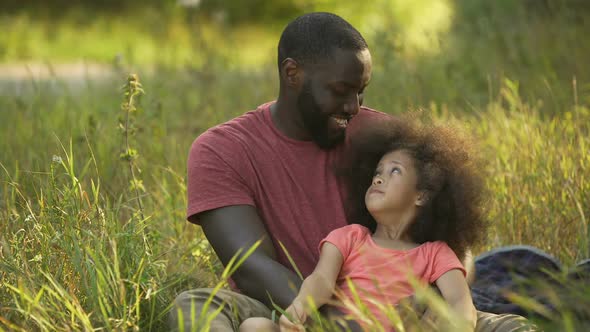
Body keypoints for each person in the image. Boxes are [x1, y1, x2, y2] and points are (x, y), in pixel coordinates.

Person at [169, 12, 532, 332]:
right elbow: (252, 268)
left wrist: (433, 299)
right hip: (289, 309)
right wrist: (342, 323)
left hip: (399, 312)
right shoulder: (221, 149)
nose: (353, 107)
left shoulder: (385, 137)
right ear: (292, 73)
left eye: (361, 92)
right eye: (341, 91)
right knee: (196, 307)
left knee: (513, 326)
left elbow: (453, 241)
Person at [239, 118, 483, 331]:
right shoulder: (349, 237)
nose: (378, 177)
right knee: (255, 326)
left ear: (421, 195)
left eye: (394, 171)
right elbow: (321, 280)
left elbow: (460, 303)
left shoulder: (435, 253)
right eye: (377, 172)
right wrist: (299, 307)